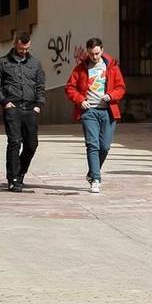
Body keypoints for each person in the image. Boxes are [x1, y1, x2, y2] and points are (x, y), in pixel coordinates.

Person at [64, 38, 125, 194]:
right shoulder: (80, 69)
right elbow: (70, 88)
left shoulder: (112, 67)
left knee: (104, 146)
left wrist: (111, 96)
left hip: (108, 111)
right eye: (91, 54)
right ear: (87, 53)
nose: (94, 57)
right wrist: (80, 100)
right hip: (89, 111)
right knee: (92, 145)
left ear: (102, 50)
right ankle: (96, 179)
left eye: (97, 53)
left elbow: (120, 87)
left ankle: (92, 172)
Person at [0, 32, 46, 192]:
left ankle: (20, 172)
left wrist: (39, 104)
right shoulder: (2, 62)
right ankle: (13, 179)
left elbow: (40, 85)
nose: (24, 51)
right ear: (14, 44)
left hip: (31, 108)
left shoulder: (35, 63)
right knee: (14, 142)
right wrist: (4, 101)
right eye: (21, 48)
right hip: (13, 107)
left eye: (27, 49)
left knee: (32, 144)